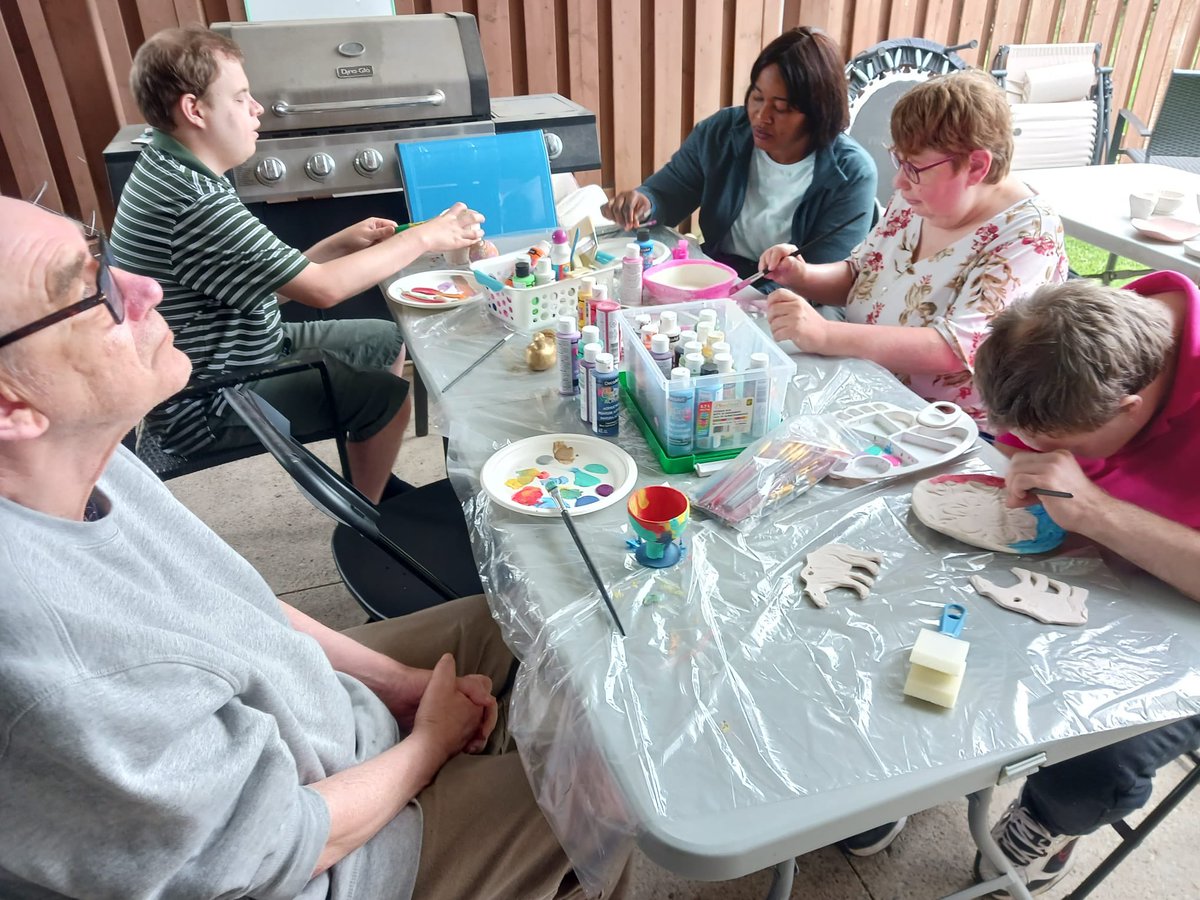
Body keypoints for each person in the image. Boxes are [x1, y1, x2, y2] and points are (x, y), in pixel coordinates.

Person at [0, 197, 612, 899]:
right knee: (611, 792)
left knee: (528, 620)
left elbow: (242, 609)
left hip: (328, 731)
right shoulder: (63, 671)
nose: (145, 287)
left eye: (101, 258)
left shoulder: (87, 456)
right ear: (10, 405)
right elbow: (281, 845)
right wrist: (431, 743)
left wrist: (399, 687)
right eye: (90, 291)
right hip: (339, 860)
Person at [111, 26, 485, 503]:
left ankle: (370, 471)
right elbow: (323, 291)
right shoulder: (194, 200)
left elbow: (273, 285)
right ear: (194, 109)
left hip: (242, 349)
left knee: (386, 339)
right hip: (213, 398)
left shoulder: (174, 169)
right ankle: (365, 517)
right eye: (242, 97)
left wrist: (338, 244)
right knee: (387, 400)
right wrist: (428, 236)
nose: (257, 109)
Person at [963, 272, 1200, 895]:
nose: (1030, 450)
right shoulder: (1056, 346)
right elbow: (1021, 433)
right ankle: (895, 785)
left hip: (1186, 615)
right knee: (935, 627)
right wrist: (1023, 460)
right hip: (1088, 557)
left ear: (1131, 407)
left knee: (1096, 754)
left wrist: (1095, 510)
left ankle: (1050, 815)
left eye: (1055, 446)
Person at [761, 69, 1069, 423]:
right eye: (899, 161)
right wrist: (801, 275)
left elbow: (956, 349)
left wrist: (826, 334)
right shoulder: (918, 197)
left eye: (915, 167)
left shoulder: (1028, 234)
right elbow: (861, 275)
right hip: (866, 391)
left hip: (944, 426)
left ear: (977, 166)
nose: (899, 181)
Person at [601, 26, 876, 278]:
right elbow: (668, 193)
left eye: (780, 108)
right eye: (756, 97)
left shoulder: (852, 173)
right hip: (720, 273)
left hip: (793, 298)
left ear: (818, 112)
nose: (761, 116)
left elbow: (826, 276)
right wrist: (644, 203)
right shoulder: (722, 132)